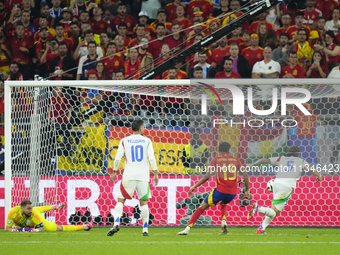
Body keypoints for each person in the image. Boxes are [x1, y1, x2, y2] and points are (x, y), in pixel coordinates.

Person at [178, 142, 249, 235]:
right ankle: (224, 222)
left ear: (218, 150)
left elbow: (207, 176)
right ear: (229, 150)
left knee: (201, 207)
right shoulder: (236, 160)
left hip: (220, 191)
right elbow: (245, 174)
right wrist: (247, 190)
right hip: (232, 193)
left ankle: (187, 229)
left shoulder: (216, 160)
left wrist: (194, 186)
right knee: (223, 202)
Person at [247, 146, 322, 234]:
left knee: (273, 210)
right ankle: (258, 208)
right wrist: (319, 176)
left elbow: (264, 161)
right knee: (274, 213)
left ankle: (261, 228)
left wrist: (252, 165)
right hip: (287, 187)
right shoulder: (301, 161)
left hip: (276, 183)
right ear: (298, 154)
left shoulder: (281, 159)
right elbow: (311, 169)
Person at [108, 119, 158, 237]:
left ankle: (116, 223)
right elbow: (151, 158)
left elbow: (118, 157)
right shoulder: (147, 141)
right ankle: (145, 229)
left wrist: (114, 171)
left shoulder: (124, 141)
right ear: (141, 128)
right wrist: (155, 173)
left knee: (121, 200)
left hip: (128, 175)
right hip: (143, 177)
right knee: (144, 202)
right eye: (144, 127)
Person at [6, 200, 92, 232]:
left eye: (31, 208)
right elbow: (7, 228)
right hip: (26, 225)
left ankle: (85, 226)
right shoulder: (13, 213)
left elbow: (41, 229)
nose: (30, 210)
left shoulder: (34, 214)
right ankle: (55, 206)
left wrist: (33, 230)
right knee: (37, 209)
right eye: (28, 209)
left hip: (36, 224)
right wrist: (18, 230)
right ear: (22, 208)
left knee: (60, 228)